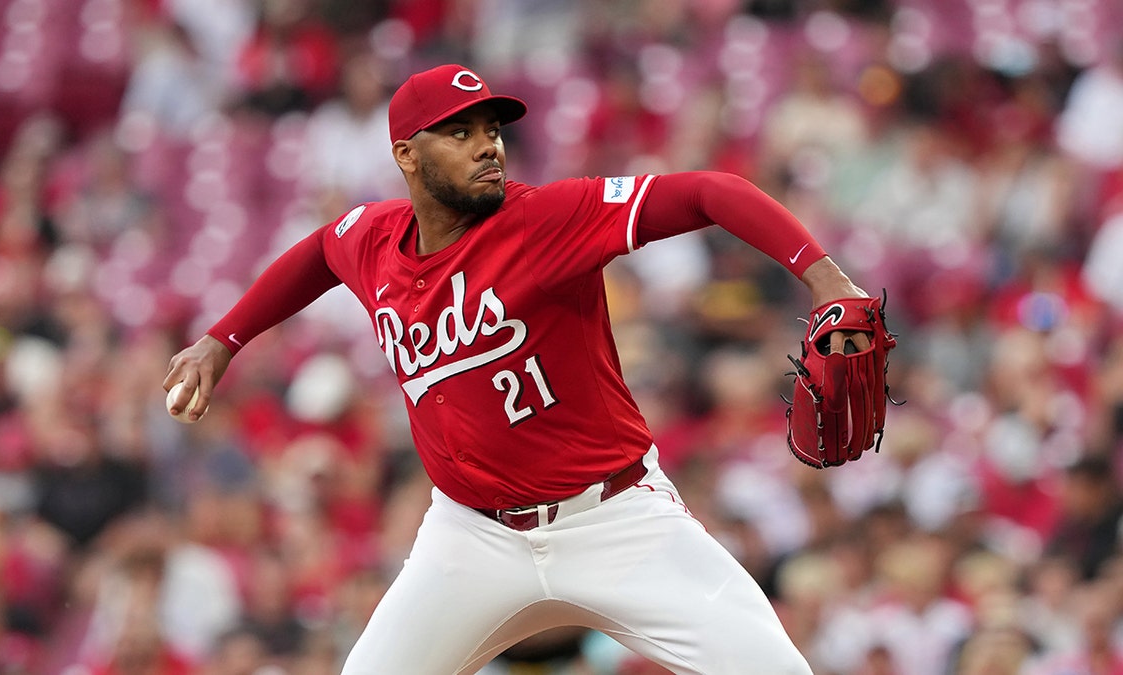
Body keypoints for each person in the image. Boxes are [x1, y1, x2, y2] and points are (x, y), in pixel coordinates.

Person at [164, 63, 872, 674]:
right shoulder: (374, 238)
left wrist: (824, 276)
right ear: (407, 155)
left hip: (615, 518)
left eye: (492, 129)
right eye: (461, 132)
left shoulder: (547, 219)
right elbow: (320, 251)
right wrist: (221, 341)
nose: (487, 147)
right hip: (471, 539)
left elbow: (710, 191)